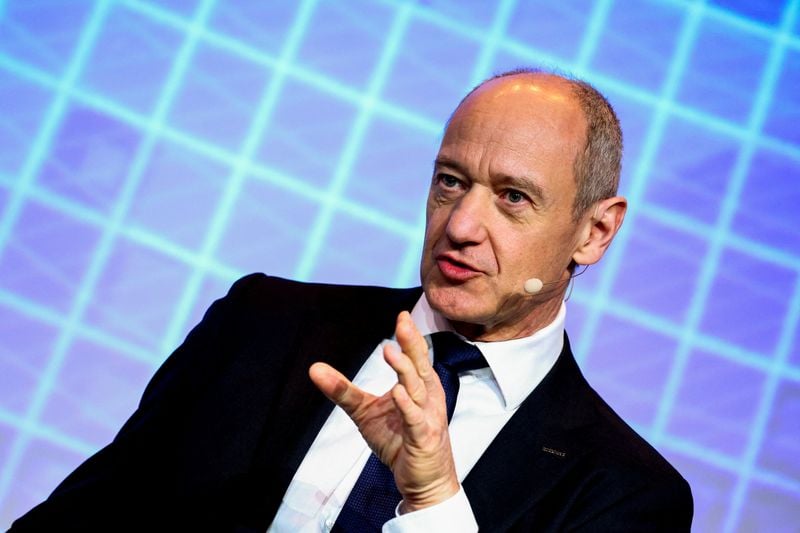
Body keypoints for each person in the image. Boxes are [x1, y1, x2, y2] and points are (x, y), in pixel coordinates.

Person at [11, 68, 692, 532]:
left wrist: (432, 500)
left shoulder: (625, 494)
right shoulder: (262, 325)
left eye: (512, 197)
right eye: (451, 182)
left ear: (595, 231)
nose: (460, 225)